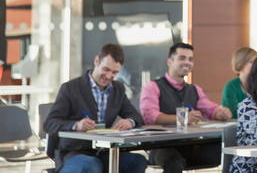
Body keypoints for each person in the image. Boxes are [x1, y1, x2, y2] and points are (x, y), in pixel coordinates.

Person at [44, 43, 148, 173]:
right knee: (93, 165)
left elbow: (136, 116)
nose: (109, 76)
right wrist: (76, 125)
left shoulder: (117, 90)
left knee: (138, 161)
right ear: (96, 61)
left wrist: (129, 121)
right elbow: (50, 124)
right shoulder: (70, 88)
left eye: (115, 72)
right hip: (74, 153)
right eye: (106, 69)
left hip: (103, 151)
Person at [140, 42, 232, 173]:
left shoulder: (194, 89)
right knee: (174, 162)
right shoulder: (153, 86)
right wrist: (183, 118)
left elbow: (210, 109)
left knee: (228, 150)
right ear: (170, 62)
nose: (187, 62)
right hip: (162, 147)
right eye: (182, 58)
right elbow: (149, 116)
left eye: (191, 59)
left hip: (190, 146)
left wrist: (220, 112)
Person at [222, 46, 257, 117]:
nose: (255, 65)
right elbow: (233, 112)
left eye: (256, 62)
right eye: (251, 62)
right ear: (241, 63)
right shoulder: (231, 86)